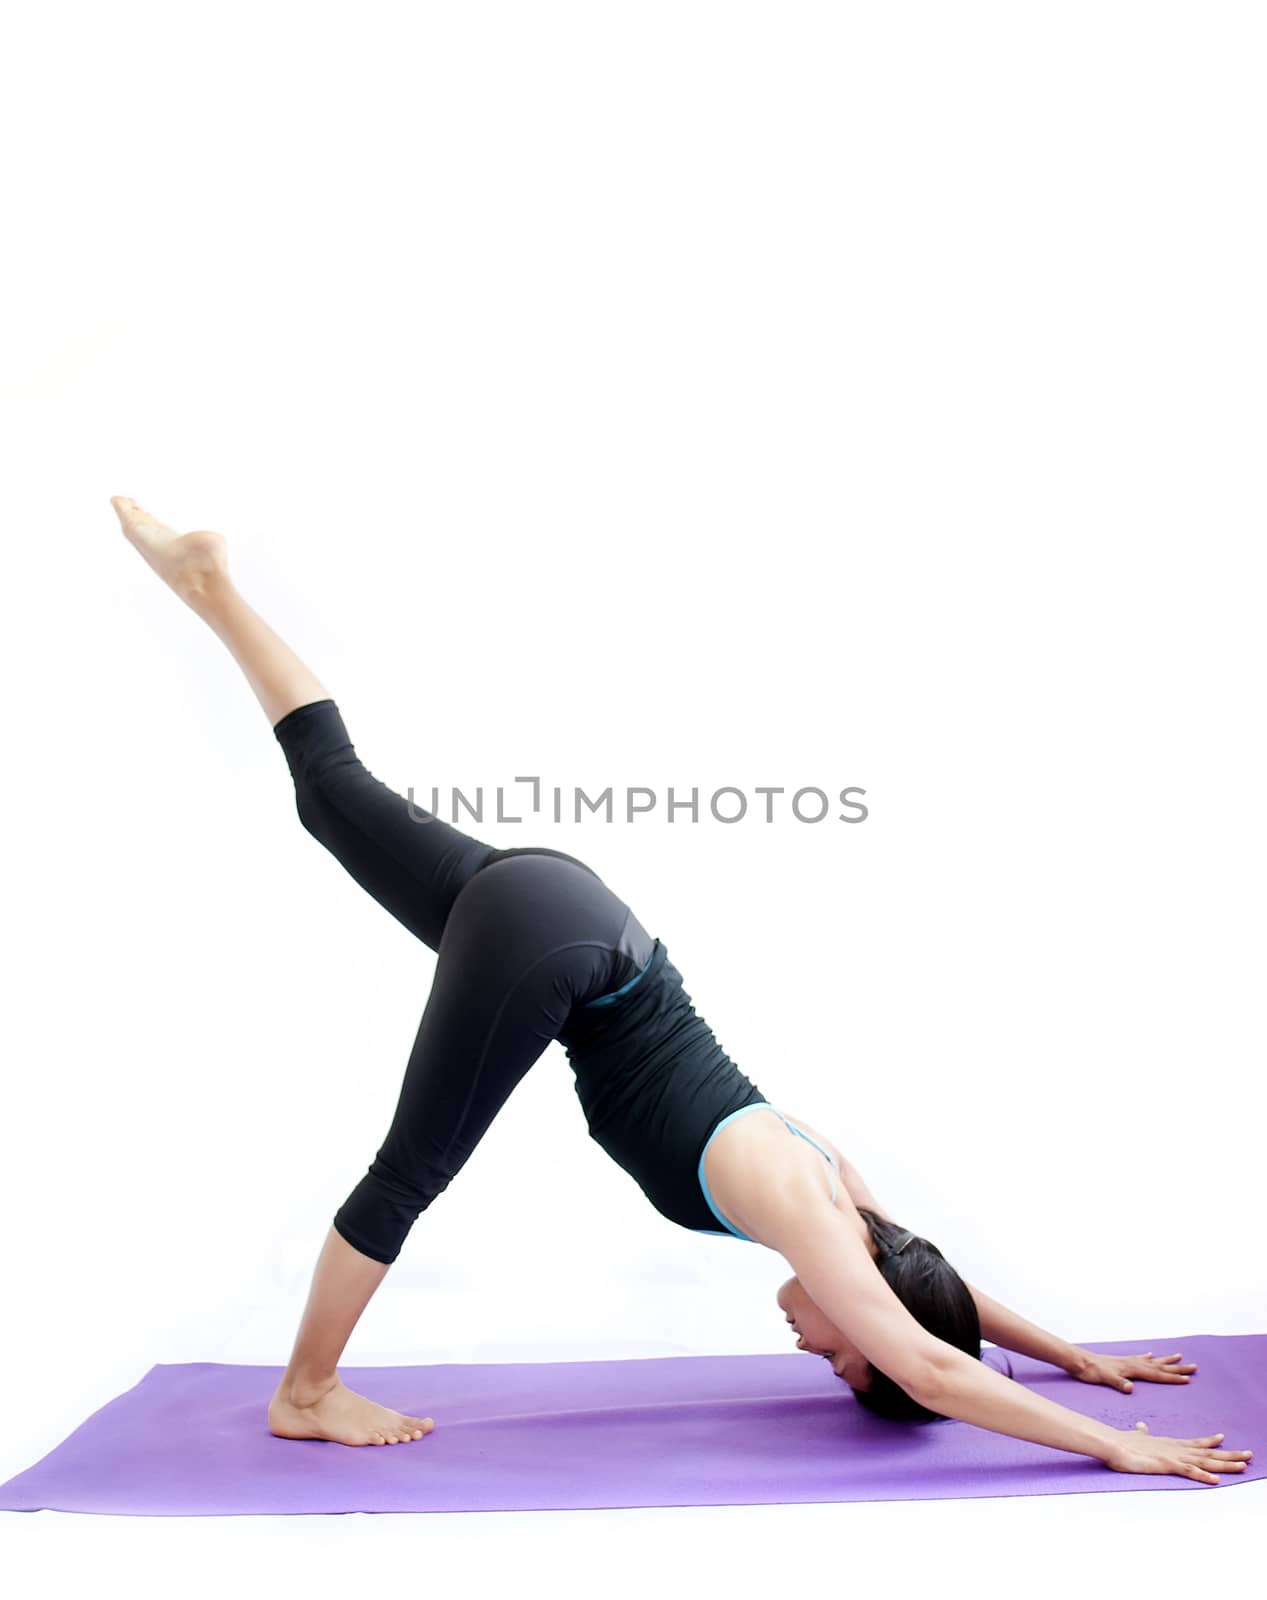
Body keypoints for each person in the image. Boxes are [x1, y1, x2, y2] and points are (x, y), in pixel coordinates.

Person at [110, 497, 1252, 1486]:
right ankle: (306, 1391)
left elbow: (937, 1300)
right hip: (558, 952)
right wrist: (1112, 1444)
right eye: (845, 1361)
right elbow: (929, 1357)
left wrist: (1078, 1357)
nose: (822, 1352)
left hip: (574, 914)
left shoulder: (846, 1201)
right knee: (406, 1173)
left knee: (333, 796)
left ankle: (211, 585)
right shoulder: (816, 1221)